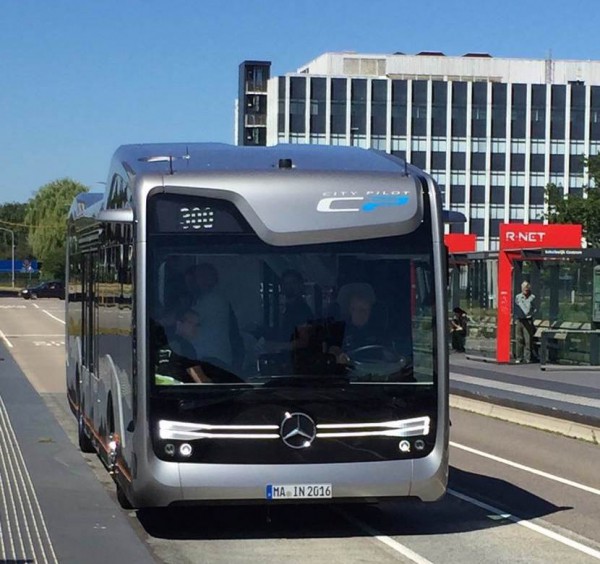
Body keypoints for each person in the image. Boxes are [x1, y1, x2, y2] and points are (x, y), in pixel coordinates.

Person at [186, 262, 244, 369]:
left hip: (214, 362)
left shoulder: (214, 300)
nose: (190, 283)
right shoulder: (202, 300)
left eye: (195, 278)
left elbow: (186, 320)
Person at [154, 309, 211, 384]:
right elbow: (199, 378)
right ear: (179, 323)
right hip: (178, 392)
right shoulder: (185, 346)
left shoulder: (162, 343)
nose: (196, 328)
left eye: (198, 325)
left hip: (161, 391)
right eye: (192, 324)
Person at [514, 280, 537, 363]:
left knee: (528, 340)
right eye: (524, 288)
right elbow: (516, 307)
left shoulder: (532, 297)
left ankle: (527, 358)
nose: (525, 289)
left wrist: (531, 314)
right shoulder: (518, 297)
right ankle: (518, 357)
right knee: (519, 338)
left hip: (528, 320)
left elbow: (535, 308)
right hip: (520, 320)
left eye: (527, 288)